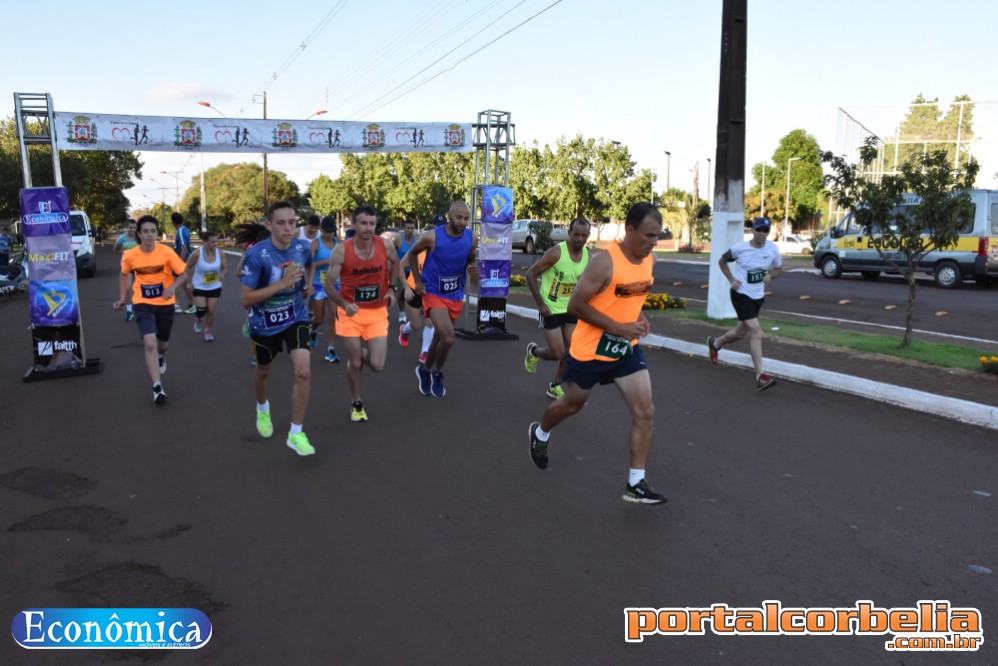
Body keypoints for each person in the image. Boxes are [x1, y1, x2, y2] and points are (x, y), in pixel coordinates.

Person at [528, 202, 667, 505]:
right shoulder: (605, 262)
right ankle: (540, 432)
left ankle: (636, 483)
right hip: (589, 351)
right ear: (629, 230)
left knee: (646, 412)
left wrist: (638, 317)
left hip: (624, 350)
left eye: (657, 236)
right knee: (572, 405)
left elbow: (634, 295)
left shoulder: (649, 260)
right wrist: (618, 326)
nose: (653, 243)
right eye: (648, 236)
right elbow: (576, 306)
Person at [240, 201, 316, 456]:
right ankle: (262, 408)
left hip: (296, 316)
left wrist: (307, 285)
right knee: (263, 371)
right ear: (269, 225)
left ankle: (295, 433)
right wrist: (282, 283)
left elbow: (309, 264)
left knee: (303, 372)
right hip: (264, 324)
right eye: (281, 223)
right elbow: (246, 299)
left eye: (292, 223)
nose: (287, 228)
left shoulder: (302, 247)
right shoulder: (257, 254)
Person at [325, 205, 399, 422]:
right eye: (364, 223)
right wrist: (343, 303)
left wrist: (392, 289)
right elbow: (329, 286)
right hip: (351, 313)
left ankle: (358, 356)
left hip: (377, 312)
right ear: (354, 224)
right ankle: (356, 402)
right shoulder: (341, 251)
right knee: (356, 361)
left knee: (377, 365)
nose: (368, 228)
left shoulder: (385, 245)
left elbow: (396, 264)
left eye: (372, 224)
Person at [113, 215, 189, 405]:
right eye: (145, 231)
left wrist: (172, 287)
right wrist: (123, 298)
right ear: (139, 234)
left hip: (165, 304)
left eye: (153, 231)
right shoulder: (130, 255)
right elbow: (123, 276)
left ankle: (161, 356)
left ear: (157, 234)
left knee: (162, 345)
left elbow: (184, 275)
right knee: (150, 344)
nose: (149, 235)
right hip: (142, 304)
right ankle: (157, 387)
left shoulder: (167, 252)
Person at [407, 201, 478, 397]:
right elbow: (412, 255)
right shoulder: (431, 236)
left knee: (439, 338)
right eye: (459, 217)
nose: (463, 222)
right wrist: (418, 280)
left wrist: (471, 266)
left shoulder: (472, 238)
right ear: (449, 216)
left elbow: (470, 258)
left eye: (466, 218)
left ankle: (424, 370)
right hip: (433, 292)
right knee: (448, 338)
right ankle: (438, 372)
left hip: (455, 294)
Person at [707, 216, 783, 391]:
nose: (761, 234)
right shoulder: (739, 249)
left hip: (758, 296)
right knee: (756, 331)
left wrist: (771, 275)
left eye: (765, 231)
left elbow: (779, 269)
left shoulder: (773, 249)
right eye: (758, 230)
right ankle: (760, 376)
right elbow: (722, 261)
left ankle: (715, 344)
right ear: (753, 230)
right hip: (740, 294)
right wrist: (731, 279)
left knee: (740, 333)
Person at [524, 217, 592, 399]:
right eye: (576, 234)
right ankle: (534, 351)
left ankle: (555, 385)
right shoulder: (556, 253)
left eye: (583, 235)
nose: (579, 239)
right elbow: (530, 274)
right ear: (569, 233)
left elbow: (581, 282)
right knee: (557, 353)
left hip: (570, 309)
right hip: (551, 308)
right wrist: (540, 304)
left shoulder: (587, 255)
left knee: (572, 351)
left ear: (588, 236)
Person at [184, 229, 228, 341]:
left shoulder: (220, 253)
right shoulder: (197, 253)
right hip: (199, 285)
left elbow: (225, 268)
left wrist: (222, 275)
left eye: (216, 241)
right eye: (212, 242)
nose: (215, 244)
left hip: (215, 285)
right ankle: (199, 319)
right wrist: (188, 282)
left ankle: (208, 330)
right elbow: (186, 267)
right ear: (205, 242)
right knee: (202, 309)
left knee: (212, 310)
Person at [397, 243, 435, 365]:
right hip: (413, 290)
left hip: (430, 292)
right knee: (415, 325)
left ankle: (425, 352)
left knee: (430, 321)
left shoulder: (439, 254)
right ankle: (405, 330)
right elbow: (400, 266)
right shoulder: (415, 252)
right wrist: (406, 288)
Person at [310, 215, 341, 362]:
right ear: (321, 230)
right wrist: (324, 261)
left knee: (334, 317)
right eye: (328, 231)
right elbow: (308, 264)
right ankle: (313, 330)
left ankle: (331, 349)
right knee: (319, 318)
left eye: (333, 231)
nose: (331, 234)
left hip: (334, 285)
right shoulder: (316, 244)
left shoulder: (338, 243)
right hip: (318, 285)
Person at [393, 219, 419, 323]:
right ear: (404, 229)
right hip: (400, 270)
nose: (410, 230)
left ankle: (415, 312)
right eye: (408, 228)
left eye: (412, 228)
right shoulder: (398, 239)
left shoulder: (417, 240)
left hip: (413, 270)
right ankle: (402, 312)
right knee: (401, 291)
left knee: (415, 292)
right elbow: (391, 252)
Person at [171, 212, 197, 314]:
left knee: (178, 282)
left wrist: (178, 263)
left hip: (183, 261)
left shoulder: (180, 231)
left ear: (173, 222)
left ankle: (179, 305)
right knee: (184, 283)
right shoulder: (185, 229)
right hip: (186, 260)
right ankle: (191, 304)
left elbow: (184, 248)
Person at [114, 219, 139, 321]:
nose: (132, 230)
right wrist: (123, 254)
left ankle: (140, 309)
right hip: (126, 266)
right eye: (130, 227)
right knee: (128, 288)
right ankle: (129, 311)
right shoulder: (122, 239)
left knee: (140, 288)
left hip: (139, 266)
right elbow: (116, 250)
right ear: (126, 228)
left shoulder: (139, 238)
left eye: (134, 228)